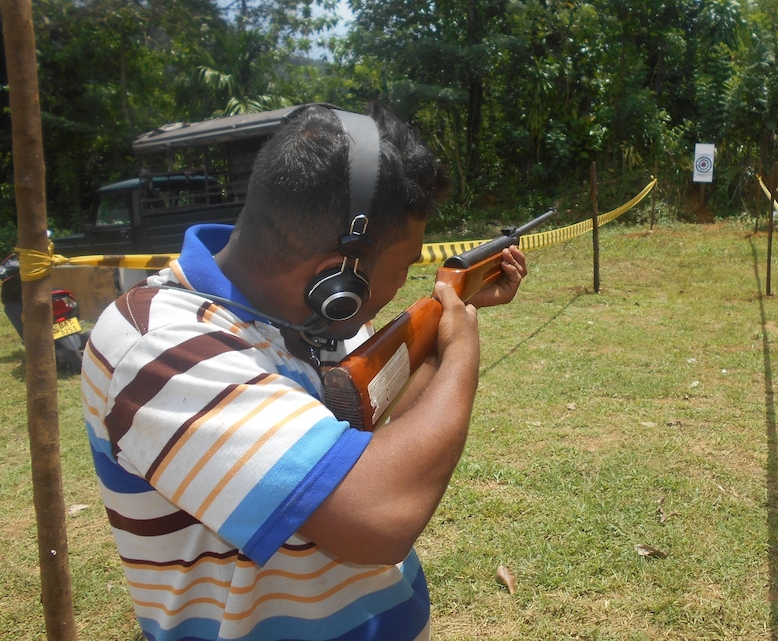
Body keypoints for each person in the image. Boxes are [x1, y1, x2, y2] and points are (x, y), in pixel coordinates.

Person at [81, 103, 529, 641]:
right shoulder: (158, 344)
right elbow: (379, 516)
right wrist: (460, 355)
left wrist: (450, 320)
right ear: (336, 278)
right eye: (405, 267)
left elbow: (387, 438)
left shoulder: (324, 317)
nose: (401, 283)